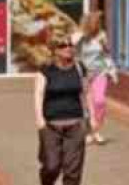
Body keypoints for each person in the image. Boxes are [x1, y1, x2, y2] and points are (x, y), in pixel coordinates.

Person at [34, 34, 93, 185]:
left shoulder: (79, 68)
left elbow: (86, 92)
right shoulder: (46, 69)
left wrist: (91, 117)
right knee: (51, 166)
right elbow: (39, 94)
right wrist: (39, 119)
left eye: (70, 45)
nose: (68, 48)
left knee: (73, 170)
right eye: (63, 46)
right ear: (55, 50)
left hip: (76, 125)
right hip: (51, 125)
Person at [74, 11, 117, 145]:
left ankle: (96, 130)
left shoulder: (101, 35)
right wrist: (81, 36)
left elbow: (106, 54)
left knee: (99, 101)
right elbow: (72, 50)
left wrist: (112, 71)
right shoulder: (79, 36)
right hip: (84, 74)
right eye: (96, 22)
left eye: (99, 22)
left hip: (100, 72)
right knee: (86, 105)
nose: (99, 25)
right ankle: (89, 132)